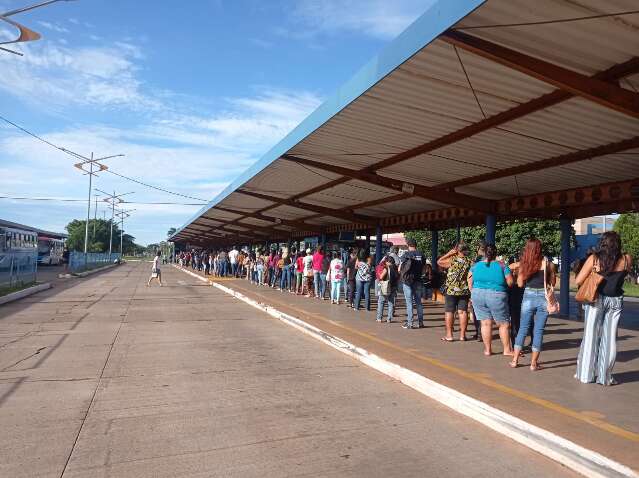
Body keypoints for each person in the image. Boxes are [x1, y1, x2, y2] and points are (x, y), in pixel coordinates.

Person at [575, 232, 632, 386]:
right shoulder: (626, 259)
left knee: (590, 336)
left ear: (603, 243)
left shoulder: (594, 259)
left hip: (596, 299)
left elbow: (578, 280)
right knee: (610, 338)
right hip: (616, 301)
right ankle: (605, 377)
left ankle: (586, 375)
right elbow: (624, 275)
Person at [509, 239, 556, 371]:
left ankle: (514, 360)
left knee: (523, 328)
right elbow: (553, 282)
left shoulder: (524, 265)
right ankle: (533, 364)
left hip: (528, 295)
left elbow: (519, 284)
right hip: (543, 297)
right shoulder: (548, 264)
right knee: (539, 330)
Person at [468, 244, 514, 356]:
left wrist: (473, 292)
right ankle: (507, 350)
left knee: (485, 323)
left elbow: (469, 280)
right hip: (496, 295)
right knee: (503, 324)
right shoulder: (502, 265)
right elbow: (510, 282)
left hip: (477, 294)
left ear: (484, 253)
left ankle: (488, 350)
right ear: (495, 253)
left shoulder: (475, 265)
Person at [438, 242, 472, 340]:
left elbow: (439, 262)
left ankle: (449, 335)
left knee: (450, 312)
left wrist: (449, 253)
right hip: (464, 290)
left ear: (457, 250)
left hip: (451, 290)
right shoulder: (469, 261)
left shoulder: (452, 260)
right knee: (463, 312)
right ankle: (462, 335)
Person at [399, 238, 425, 329]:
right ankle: (420, 322)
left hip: (407, 281)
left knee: (409, 302)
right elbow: (424, 267)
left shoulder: (406, 254)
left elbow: (400, 268)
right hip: (418, 280)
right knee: (418, 302)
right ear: (416, 245)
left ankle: (410, 323)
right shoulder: (421, 254)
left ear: (408, 245)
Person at [376, 256, 399, 323]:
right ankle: (389, 319)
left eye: (386, 262)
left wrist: (380, 277)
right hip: (393, 287)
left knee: (381, 302)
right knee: (391, 303)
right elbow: (398, 278)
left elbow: (381, 277)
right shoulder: (395, 268)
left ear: (388, 262)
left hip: (385, 288)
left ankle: (379, 318)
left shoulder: (387, 268)